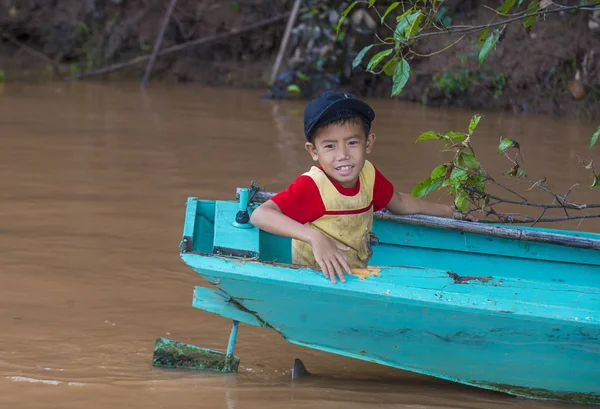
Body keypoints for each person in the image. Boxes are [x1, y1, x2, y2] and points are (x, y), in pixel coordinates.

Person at [250, 91, 475, 284]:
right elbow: (261, 215)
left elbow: (401, 202)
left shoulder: (368, 174)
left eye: (352, 142)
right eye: (329, 146)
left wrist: (451, 212)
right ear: (313, 151)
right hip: (315, 279)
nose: (343, 155)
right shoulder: (313, 186)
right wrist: (313, 237)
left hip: (355, 276)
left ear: (368, 143)